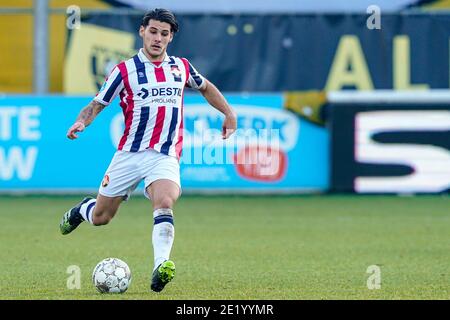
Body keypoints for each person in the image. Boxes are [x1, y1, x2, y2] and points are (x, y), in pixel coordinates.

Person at [59, 8, 237, 293]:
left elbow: (205, 87)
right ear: (142, 31)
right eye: (153, 32)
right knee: (102, 217)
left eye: (164, 34)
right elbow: (97, 104)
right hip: (129, 154)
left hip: (164, 154)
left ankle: (160, 266)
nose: (157, 38)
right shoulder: (124, 71)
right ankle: (83, 209)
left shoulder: (181, 67)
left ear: (171, 37)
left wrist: (228, 113)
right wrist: (82, 122)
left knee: (165, 201)